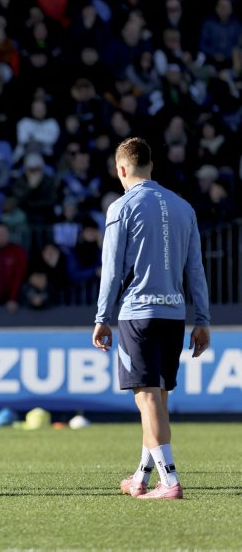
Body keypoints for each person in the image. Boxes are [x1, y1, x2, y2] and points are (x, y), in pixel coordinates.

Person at [93, 137, 211, 500]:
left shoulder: (121, 207)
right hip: (173, 314)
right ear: (151, 166)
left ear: (121, 169)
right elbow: (195, 269)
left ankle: (170, 481)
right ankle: (142, 477)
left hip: (138, 314)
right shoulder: (183, 207)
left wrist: (102, 317)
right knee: (157, 398)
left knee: (146, 399)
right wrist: (202, 319)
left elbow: (111, 269)